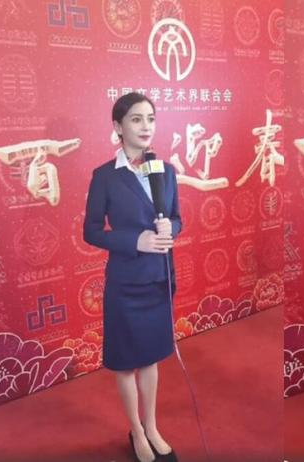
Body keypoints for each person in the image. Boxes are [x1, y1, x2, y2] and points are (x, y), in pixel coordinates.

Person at [84, 92, 181, 462]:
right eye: (136, 119)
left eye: (151, 118)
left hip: (157, 280)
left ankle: (152, 426)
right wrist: (133, 240)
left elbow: (177, 218)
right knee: (126, 362)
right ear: (118, 126)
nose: (146, 126)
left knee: (151, 358)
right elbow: (91, 231)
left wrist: (170, 228)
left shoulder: (165, 170)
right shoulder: (105, 177)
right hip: (125, 285)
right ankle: (137, 431)